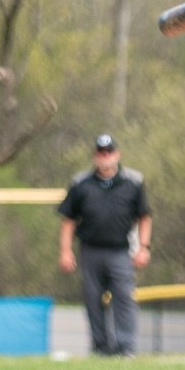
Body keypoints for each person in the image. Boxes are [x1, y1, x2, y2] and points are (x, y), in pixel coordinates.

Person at [57, 134, 153, 357]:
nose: (105, 156)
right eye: (101, 152)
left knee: (124, 298)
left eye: (109, 152)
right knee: (93, 300)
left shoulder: (133, 182)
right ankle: (100, 347)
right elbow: (68, 220)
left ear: (117, 154)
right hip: (90, 250)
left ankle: (125, 347)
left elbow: (144, 217)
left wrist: (144, 247)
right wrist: (65, 251)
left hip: (121, 250)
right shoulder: (81, 183)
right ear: (95, 156)